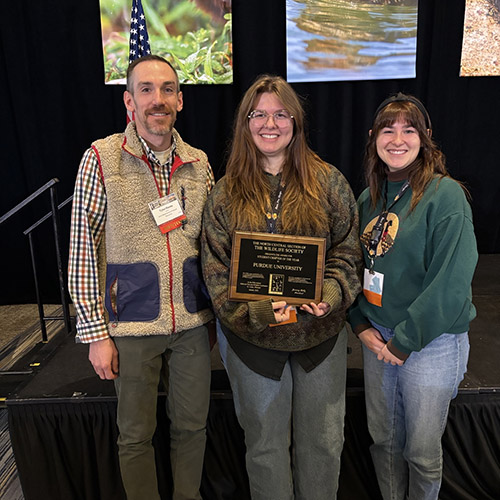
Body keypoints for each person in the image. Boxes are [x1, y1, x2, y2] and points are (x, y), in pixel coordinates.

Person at [201, 75, 362, 499]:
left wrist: (330, 294)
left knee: (324, 445)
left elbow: (348, 252)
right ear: (245, 123)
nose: (269, 123)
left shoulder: (329, 183)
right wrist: (250, 313)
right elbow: (215, 272)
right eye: (259, 114)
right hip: (251, 342)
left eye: (280, 113)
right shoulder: (224, 194)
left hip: (319, 338)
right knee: (265, 448)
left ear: (296, 121)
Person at [68, 54, 214, 500]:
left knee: (192, 428)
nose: (158, 99)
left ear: (181, 101)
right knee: (134, 435)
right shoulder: (101, 157)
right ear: (129, 101)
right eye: (146, 90)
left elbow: (215, 244)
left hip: (192, 325)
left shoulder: (198, 162)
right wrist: (95, 332)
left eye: (167, 89)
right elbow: (82, 250)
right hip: (130, 325)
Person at [348, 93, 478, 500]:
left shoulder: (446, 196)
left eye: (409, 130)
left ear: (426, 138)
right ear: (373, 138)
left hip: (429, 344)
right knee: (384, 442)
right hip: (378, 339)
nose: (398, 139)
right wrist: (360, 324)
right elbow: (352, 267)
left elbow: (451, 283)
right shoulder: (369, 198)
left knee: (421, 453)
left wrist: (403, 343)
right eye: (388, 130)